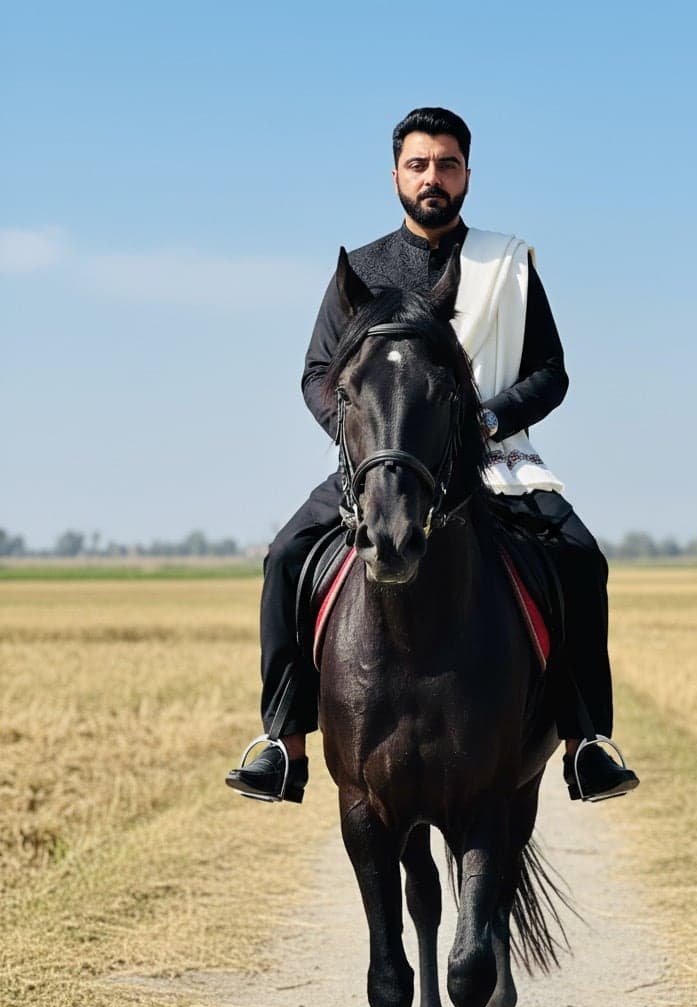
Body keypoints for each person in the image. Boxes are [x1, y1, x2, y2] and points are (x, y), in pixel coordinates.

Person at [226, 107, 639, 805]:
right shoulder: (359, 272)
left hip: (497, 460)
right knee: (286, 557)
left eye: (447, 164)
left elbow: (551, 372)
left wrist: (487, 419)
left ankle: (585, 742)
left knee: (579, 558)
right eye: (418, 165)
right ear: (396, 176)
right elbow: (318, 373)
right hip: (380, 463)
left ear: (467, 175)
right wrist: (361, 437)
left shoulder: (506, 266)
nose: (433, 178)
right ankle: (283, 743)